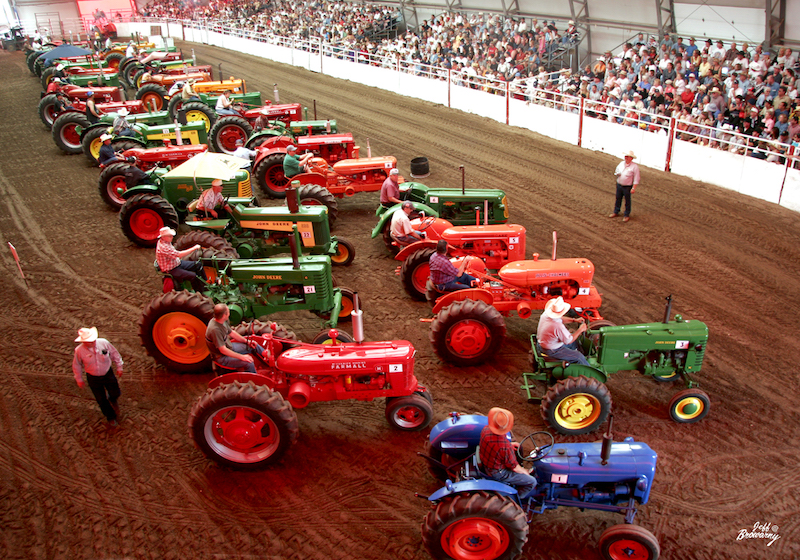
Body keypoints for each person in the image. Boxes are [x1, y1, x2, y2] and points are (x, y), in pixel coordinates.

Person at [479, 407, 537, 498]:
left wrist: (510, 444)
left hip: (487, 461)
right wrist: (525, 472)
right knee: (532, 482)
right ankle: (515, 499)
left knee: (517, 446)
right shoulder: (504, 447)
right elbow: (514, 467)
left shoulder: (486, 429)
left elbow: (496, 445)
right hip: (497, 472)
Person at [72, 327, 123, 427]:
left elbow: (114, 354)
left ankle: (113, 398)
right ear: (84, 342)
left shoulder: (104, 343)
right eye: (89, 341)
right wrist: (79, 379)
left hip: (108, 373)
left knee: (115, 392)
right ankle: (111, 417)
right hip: (93, 378)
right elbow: (76, 365)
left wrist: (119, 366)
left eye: (93, 340)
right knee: (101, 399)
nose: (92, 342)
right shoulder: (79, 351)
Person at [205, 303, 265, 373]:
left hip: (229, 346)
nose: (229, 313)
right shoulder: (215, 330)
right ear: (224, 315)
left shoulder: (223, 321)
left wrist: (247, 341)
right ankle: (255, 380)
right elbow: (223, 350)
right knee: (249, 362)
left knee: (253, 345)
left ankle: (268, 359)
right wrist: (242, 357)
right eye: (228, 312)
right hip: (221, 357)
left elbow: (231, 333)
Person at [536, 296, 589, 366]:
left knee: (575, 344)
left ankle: (576, 357)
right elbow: (569, 340)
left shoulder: (545, 315)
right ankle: (590, 375)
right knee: (579, 357)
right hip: (551, 350)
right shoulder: (557, 326)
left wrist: (574, 320)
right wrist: (580, 330)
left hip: (543, 343)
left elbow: (560, 318)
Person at [155, 226, 207, 291]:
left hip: (176, 263)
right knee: (193, 276)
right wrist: (194, 248)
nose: (172, 237)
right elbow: (179, 255)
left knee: (198, 264)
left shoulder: (165, 241)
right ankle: (200, 292)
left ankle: (205, 284)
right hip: (171, 269)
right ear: (163, 237)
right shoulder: (163, 248)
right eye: (170, 236)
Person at [608, 150, 640, 222]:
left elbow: (636, 178)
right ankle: (616, 211)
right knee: (618, 198)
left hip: (627, 186)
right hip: (619, 184)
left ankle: (626, 214)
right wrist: (617, 173)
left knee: (627, 201)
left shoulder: (634, 167)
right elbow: (616, 171)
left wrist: (633, 188)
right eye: (625, 156)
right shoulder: (621, 163)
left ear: (631, 158)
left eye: (627, 157)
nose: (626, 158)